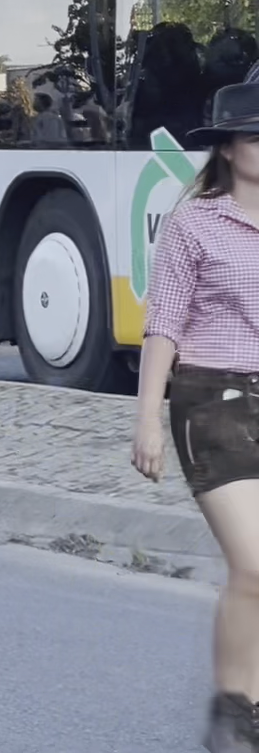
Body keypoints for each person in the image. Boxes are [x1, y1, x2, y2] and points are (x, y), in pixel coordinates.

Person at [133, 81, 259, 753]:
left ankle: (249, 702)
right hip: (212, 401)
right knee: (255, 564)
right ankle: (233, 710)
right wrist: (148, 418)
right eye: (255, 135)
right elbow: (164, 327)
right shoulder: (197, 222)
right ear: (229, 148)